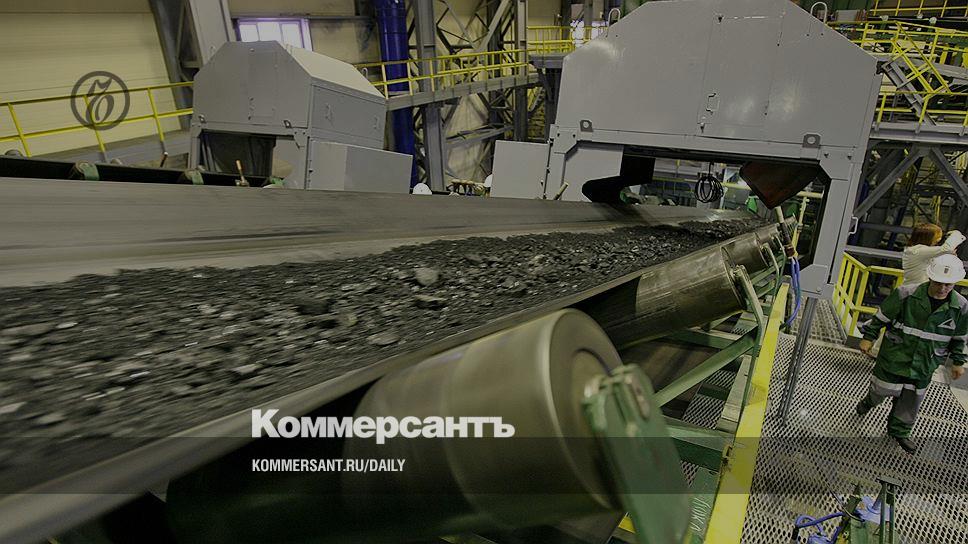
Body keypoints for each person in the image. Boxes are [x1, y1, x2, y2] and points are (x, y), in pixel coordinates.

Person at [857, 254, 968, 454]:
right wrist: (868, 337)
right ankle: (869, 402)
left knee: (911, 399)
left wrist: (958, 361)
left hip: (925, 363)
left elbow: (960, 337)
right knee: (880, 390)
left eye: (948, 285)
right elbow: (881, 318)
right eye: (938, 283)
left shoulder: (961, 307)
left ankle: (899, 432)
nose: (942, 288)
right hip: (895, 356)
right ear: (930, 277)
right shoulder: (905, 294)